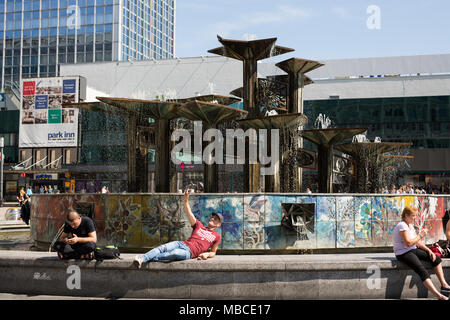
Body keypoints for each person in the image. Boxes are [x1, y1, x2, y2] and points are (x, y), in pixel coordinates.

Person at [133, 188, 222, 268]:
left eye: (216, 219)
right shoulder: (199, 225)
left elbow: (213, 252)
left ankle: (144, 258)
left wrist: (207, 254)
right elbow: (190, 214)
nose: (212, 218)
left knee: (173, 253)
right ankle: (142, 259)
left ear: (218, 225)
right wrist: (186, 201)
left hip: (189, 253)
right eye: (213, 217)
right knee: (162, 248)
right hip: (181, 244)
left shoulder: (216, 236)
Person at [393, 205, 450, 300]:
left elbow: (417, 242)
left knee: (436, 259)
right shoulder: (402, 225)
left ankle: (444, 284)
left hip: (412, 249)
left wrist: (429, 251)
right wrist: (421, 235)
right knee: (422, 270)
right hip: (403, 253)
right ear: (406, 216)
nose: (415, 218)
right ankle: (438, 295)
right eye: (413, 215)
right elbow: (408, 243)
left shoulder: (410, 225)